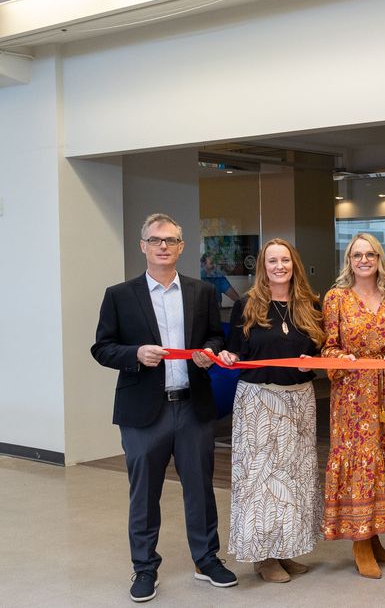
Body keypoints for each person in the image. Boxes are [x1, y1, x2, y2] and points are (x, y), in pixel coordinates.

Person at [91, 213, 238, 603]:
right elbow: (102, 348)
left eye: (171, 240)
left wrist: (209, 352)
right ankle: (144, 568)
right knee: (143, 494)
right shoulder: (120, 295)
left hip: (193, 407)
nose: (163, 246)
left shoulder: (201, 292)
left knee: (200, 490)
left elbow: (211, 336)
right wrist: (135, 353)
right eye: (155, 240)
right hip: (143, 413)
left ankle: (207, 559)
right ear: (143, 246)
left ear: (181, 247)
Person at [216, 239, 323, 583]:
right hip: (259, 402)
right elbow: (234, 351)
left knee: (293, 480)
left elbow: (319, 352)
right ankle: (263, 558)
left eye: (286, 260)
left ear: (295, 265)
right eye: (272, 261)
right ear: (263, 266)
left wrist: (313, 365)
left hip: (299, 402)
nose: (280, 266)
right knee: (261, 481)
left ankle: (284, 550)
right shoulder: (247, 305)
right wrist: (229, 358)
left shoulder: (309, 305)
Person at [321, 232, 385, 579]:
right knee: (359, 462)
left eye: (370, 255)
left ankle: (375, 536)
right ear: (349, 260)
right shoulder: (336, 299)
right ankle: (360, 540)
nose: (364, 260)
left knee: (383, 458)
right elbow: (327, 347)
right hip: (351, 396)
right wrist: (341, 357)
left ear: (379, 259)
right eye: (357, 255)